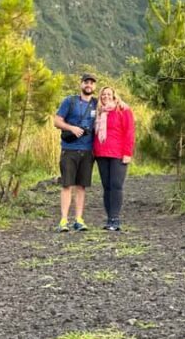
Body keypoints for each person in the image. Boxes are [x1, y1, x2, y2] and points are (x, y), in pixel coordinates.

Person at [53, 73, 98, 232]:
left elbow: (115, 107)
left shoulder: (96, 104)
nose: (89, 85)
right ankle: (63, 220)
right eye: (86, 82)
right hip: (69, 149)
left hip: (87, 151)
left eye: (92, 83)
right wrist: (71, 128)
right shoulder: (69, 101)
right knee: (67, 185)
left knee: (81, 186)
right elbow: (57, 121)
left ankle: (79, 219)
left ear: (94, 86)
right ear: (81, 84)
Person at [93, 85, 135, 231]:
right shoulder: (98, 112)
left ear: (114, 95)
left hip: (118, 153)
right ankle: (109, 218)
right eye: (103, 94)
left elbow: (129, 132)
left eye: (109, 94)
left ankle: (115, 219)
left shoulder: (123, 110)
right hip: (101, 153)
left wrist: (127, 153)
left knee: (116, 185)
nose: (106, 97)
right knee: (107, 186)